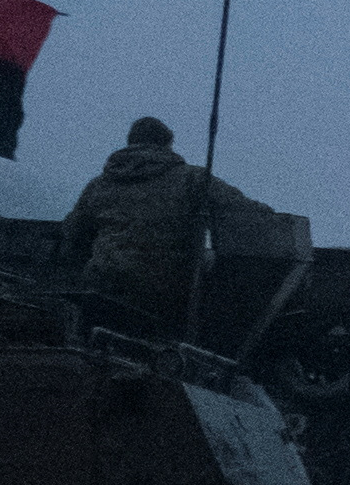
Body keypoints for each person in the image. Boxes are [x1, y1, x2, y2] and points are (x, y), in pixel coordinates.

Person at [59, 115, 257, 334]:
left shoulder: (98, 185)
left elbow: (72, 235)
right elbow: (245, 212)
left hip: (101, 287)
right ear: (167, 145)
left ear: (130, 143)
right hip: (163, 294)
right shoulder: (192, 179)